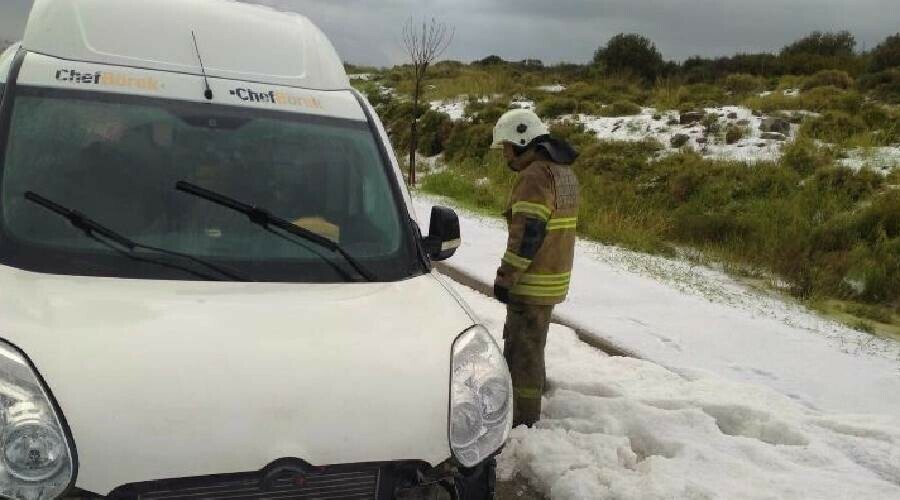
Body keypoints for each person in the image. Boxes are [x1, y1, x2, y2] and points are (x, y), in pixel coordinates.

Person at [490, 109, 580, 427]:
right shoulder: (562, 172)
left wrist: (506, 277)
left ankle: (521, 421)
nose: (505, 155)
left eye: (506, 147)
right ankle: (531, 403)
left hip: (532, 282)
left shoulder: (534, 177)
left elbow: (527, 234)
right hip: (553, 279)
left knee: (523, 354)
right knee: (533, 345)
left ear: (521, 139)